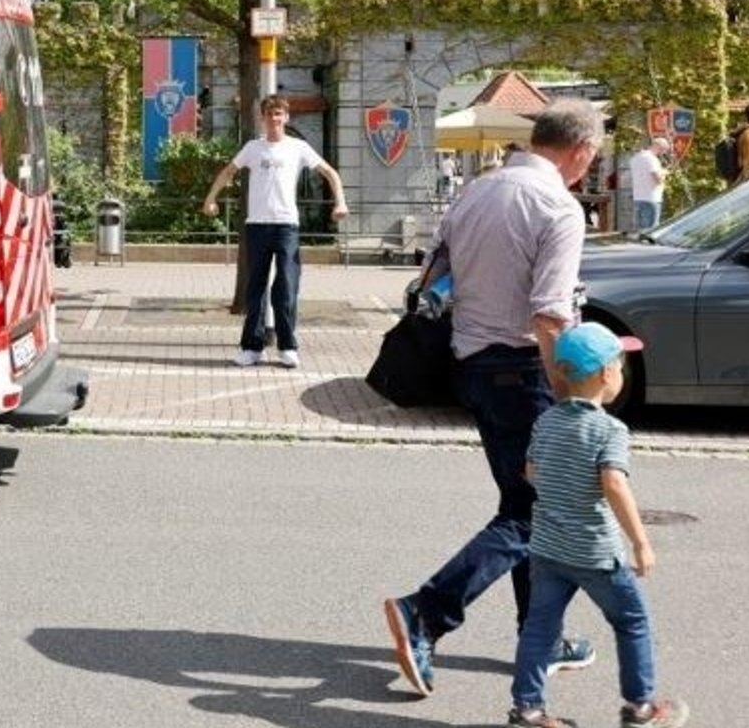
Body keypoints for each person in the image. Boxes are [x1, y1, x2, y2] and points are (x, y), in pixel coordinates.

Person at [382, 97, 603, 698]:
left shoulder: (479, 190)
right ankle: (427, 610)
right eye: (594, 156)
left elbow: (432, 276)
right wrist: (571, 401)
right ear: (580, 151)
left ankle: (542, 637)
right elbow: (551, 315)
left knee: (525, 501)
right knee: (536, 512)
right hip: (524, 370)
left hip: (473, 365)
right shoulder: (558, 207)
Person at [506, 323, 689, 728]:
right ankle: (641, 707)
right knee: (631, 621)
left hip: (548, 548)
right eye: (621, 365)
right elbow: (613, 483)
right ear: (607, 374)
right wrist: (640, 541)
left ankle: (527, 710)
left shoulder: (546, 422)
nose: (621, 373)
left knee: (538, 628)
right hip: (595, 552)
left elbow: (532, 471)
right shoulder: (609, 429)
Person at [202, 95, 348, 369]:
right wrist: (211, 198)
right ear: (262, 117)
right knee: (255, 289)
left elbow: (330, 173)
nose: (274, 119)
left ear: (286, 117)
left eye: (279, 114)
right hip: (256, 226)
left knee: (287, 288)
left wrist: (340, 202)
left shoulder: (298, 148)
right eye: (269, 114)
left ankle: (288, 347)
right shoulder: (252, 148)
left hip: (286, 227)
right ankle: (251, 347)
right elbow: (227, 172)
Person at [626, 138, 668, 230]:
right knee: (651, 231)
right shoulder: (652, 159)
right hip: (651, 199)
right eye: (664, 149)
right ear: (659, 146)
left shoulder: (635, 158)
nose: (663, 153)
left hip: (638, 198)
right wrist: (664, 172)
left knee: (640, 229)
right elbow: (658, 179)